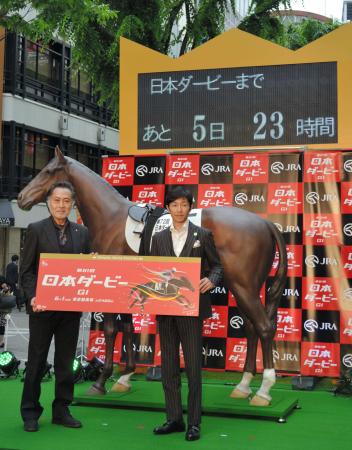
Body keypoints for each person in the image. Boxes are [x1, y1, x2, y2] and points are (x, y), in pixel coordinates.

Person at [149, 187, 223, 442]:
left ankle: (194, 423)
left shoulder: (203, 234)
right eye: (175, 205)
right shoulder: (157, 238)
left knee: (193, 368)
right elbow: (150, 270)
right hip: (166, 310)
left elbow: (217, 265)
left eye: (184, 204)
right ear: (167, 208)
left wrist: (211, 280)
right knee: (168, 367)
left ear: (190, 207)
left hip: (192, 310)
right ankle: (174, 419)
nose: (180, 209)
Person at [20, 181, 90, 432]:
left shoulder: (82, 233)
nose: (61, 205)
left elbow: (88, 269)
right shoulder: (36, 229)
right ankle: (30, 412)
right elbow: (26, 271)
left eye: (66, 201)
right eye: (57, 200)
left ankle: (62, 410)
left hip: (70, 311)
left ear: (72, 205)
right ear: (48, 203)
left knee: (65, 363)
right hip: (42, 309)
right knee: (36, 362)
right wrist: (32, 297)